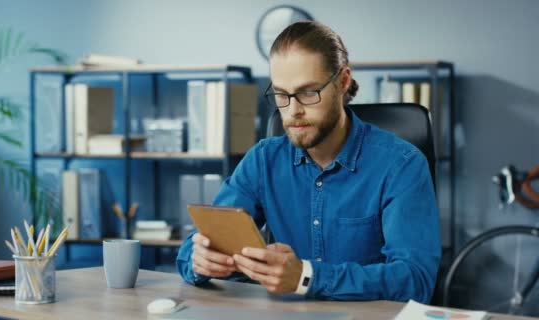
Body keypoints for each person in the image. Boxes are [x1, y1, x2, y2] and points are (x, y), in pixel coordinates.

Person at [176, 21, 441, 303]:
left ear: (343, 81)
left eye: (307, 93)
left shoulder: (402, 165)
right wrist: (199, 260)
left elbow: (415, 280)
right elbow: (194, 249)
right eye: (281, 94)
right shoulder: (263, 160)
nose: (293, 111)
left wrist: (306, 277)